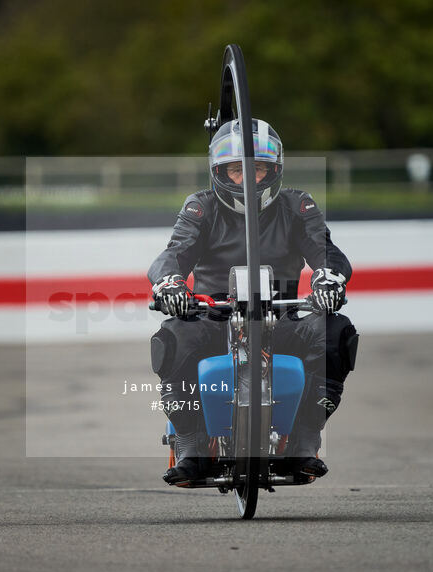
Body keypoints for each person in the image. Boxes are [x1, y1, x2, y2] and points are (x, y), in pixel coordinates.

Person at [148, 118, 358, 485]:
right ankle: (192, 444)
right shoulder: (201, 205)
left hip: (284, 313)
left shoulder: (298, 204)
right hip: (213, 313)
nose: (247, 178)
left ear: (274, 169)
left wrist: (329, 278)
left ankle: (305, 439)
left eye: (257, 168)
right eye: (235, 169)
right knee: (173, 337)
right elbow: (173, 254)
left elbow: (326, 251)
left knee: (336, 331)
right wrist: (171, 286)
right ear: (219, 171)